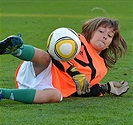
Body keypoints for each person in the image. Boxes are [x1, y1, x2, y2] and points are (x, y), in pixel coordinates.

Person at [0, 17, 129, 104]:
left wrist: (105, 88)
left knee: (57, 96)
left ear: (111, 43)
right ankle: (14, 49)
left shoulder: (102, 68)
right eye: (101, 31)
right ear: (90, 31)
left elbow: (83, 89)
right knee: (46, 58)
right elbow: (54, 53)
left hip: (47, 88)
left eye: (110, 35)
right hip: (41, 70)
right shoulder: (77, 40)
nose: (105, 36)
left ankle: (3, 93)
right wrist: (74, 72)